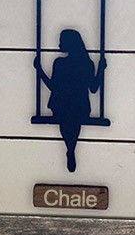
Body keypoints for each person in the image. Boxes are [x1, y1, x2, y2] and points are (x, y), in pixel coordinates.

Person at [35, 28, 106, 173]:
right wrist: (101, 69)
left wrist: (39, 70)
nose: (58, 44)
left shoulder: (60, 63)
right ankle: (71, 149)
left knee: (66, 118)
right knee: (72, 120)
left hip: (62, 106)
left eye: (61, 41)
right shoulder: (86, 63)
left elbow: (53, 87)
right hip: (79, 107)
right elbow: (94, 88)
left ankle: (70, 149)